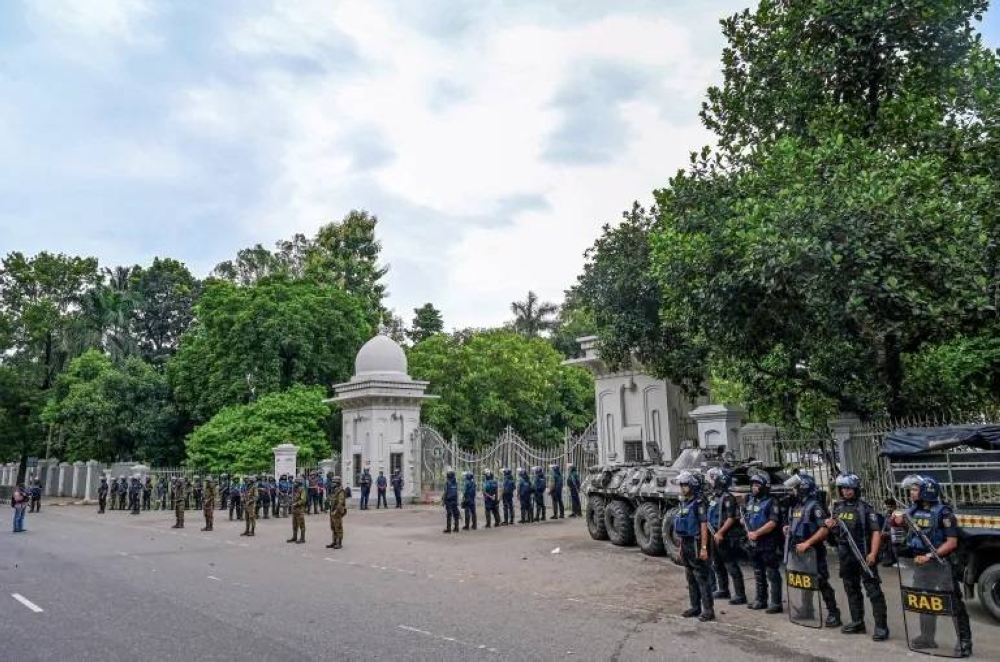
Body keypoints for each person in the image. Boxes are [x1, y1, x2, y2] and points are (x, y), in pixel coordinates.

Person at [893, 475, 972, 657]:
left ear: (926, 491)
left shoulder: (944, 513)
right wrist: (899, 523)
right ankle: (927, 637)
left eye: (914, 490)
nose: (911, 493)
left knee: (953, 603)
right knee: (924, 599)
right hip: (921, 564)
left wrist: (929, 555)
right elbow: (911, 533)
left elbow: (951, 542)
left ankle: (964, 641)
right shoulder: (913, 511)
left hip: (942, 563)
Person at [825, 473, 888, 640]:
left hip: (864, 555)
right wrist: (831, 526)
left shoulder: (865, 508)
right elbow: (836, 534)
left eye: (849, 488)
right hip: (846, 556)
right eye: (843, 488)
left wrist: (873, 553)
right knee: (851, 588)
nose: (846, 491)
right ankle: (857, 622)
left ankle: (881, 627)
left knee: (873, 591)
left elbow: (876, 532)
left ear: (856, 489)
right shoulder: (837, 508)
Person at [784, 473, 841, 627]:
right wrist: (789, 528)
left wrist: (808, 543)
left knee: (821, 581)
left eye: (796, 488)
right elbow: (800, 523)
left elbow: (824, 530)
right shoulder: (798, 506)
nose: (794, 491)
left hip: (812, 550)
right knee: (804, 580)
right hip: (799, 549)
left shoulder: (814, 506)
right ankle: (807, 609)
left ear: (803, 488)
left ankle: (833, 613)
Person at [674, 471, 714, 621]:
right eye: (681, 485)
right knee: (690, 577)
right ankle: (695, 607)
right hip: (686, 543)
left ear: (691, 485)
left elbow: (704, 526)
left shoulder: (699, 503)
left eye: (684, 485)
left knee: (701, 578)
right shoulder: (684, 502)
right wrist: (680, 549)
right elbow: (682, 529)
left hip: (697, 543)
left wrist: (704, 548)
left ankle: (708, 611)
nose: (682, 488)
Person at [704, 467, 746, 605]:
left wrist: (721, 532)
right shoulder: (714, 497)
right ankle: (723, 589)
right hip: (713, 534)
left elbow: (731, 518)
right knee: (717, 564)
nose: (711, 482)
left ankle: (740, 595)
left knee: (731, 565)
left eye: (713, 479)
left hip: (725, 536)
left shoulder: (728, 498)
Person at [743, 473, 782, 614]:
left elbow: (772, 523)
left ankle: (776, 602)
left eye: (757, 485)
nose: (754, 487)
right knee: (758, 572)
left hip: (767, 542)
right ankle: (760, 599)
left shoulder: (771, 502)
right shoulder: (751, 500)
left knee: (772, 572)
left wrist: (757, 533)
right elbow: (748, 516)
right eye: (753, 485)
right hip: (753, 542)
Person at [326, 476, 347, 549]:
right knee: (333, 527)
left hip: (337, 512)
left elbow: (340, 502)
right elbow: (332, 500)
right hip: (332, 511)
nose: (333, 483)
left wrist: (335, 511)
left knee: (338, 527)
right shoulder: (334, 490)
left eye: (334, 482)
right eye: (333, 482)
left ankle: (339, 543)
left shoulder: (340, 491)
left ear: (338, 483)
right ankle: (334, 541)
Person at [288, 476, 306, 544]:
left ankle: (302, 538)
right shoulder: (294, 489)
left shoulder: (302, 489)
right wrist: (290, 500)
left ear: (300, 482)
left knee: (301, 524)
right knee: (294, 524)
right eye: (295, 482)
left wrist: (296, 503)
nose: (295, 483)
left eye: (296, 482)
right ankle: (294, 537)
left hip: (300, 509)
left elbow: (303, 500)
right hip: (294, 509)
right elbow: (293, 497)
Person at [442, 469, 460, 534]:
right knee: (456, 514)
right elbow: (457, 492)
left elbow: (445, 492)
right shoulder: (455, 482)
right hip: (454, 500)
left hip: (448, 501)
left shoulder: (447, 482)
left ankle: (448, 529)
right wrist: (457, 501)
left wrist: (443, 501)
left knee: (449, 514)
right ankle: (456, 528)